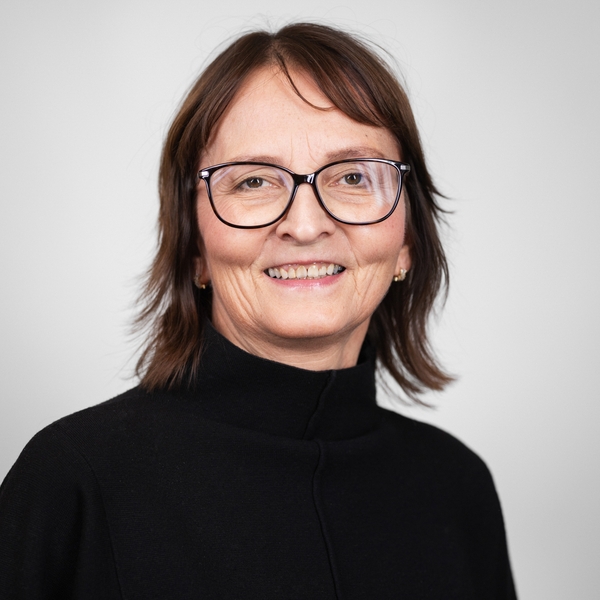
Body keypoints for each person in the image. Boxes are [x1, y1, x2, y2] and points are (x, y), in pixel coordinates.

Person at [0, 22, 517, 599]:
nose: (305, 225)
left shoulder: (456, 488)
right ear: (194, 247)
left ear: (408, 241)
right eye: (252, 181)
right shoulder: (74, 482)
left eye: (352, 176)